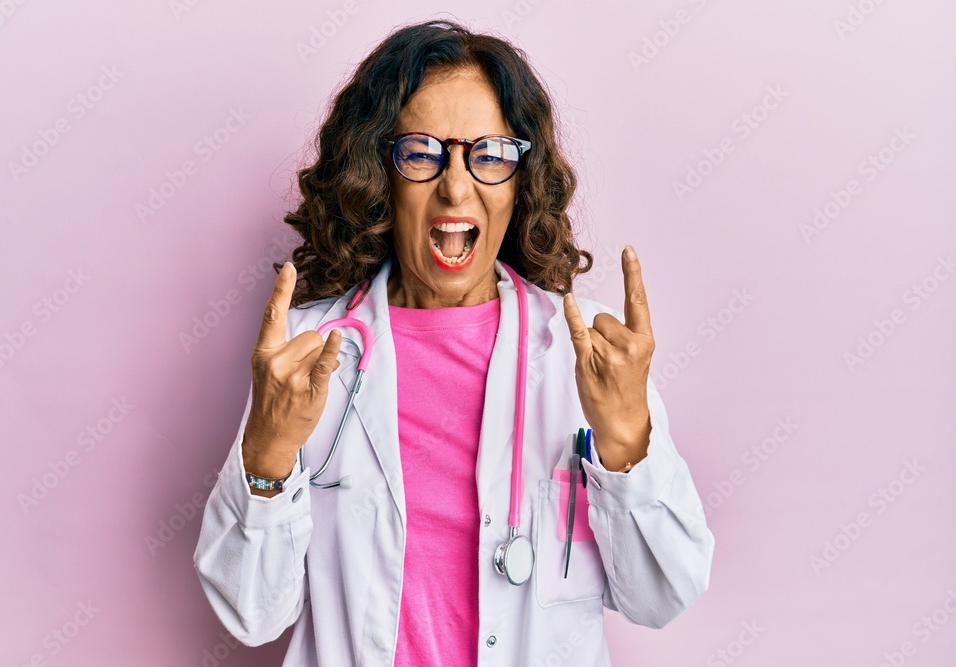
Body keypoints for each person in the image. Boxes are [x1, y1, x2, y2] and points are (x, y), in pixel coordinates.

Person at [193, 18, 714, 667]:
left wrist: (628, 441)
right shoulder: (308, 350)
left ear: (520, 178)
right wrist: (267, 456)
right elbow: (250, 613)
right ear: (378, 171)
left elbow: (663, 595)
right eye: (421, 151)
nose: (456, 185)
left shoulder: (585, 355)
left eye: (489, 153)